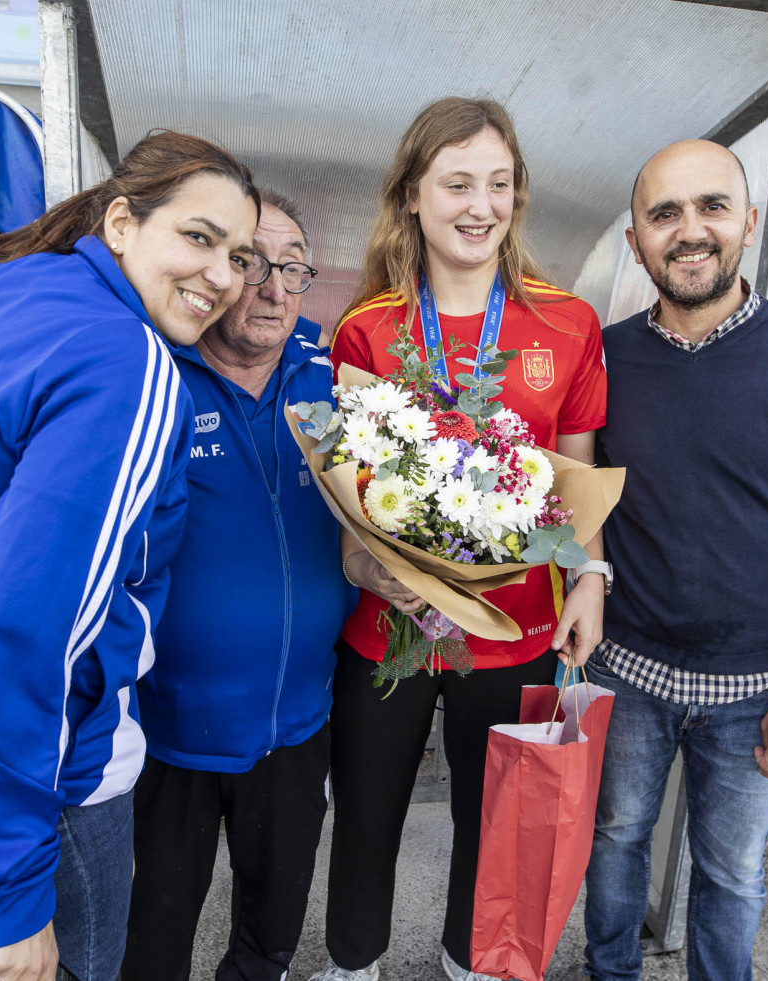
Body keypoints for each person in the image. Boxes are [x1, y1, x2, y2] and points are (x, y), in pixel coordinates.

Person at [0, 130, 262, 981]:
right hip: (37, 758)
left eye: (240, 255)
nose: (222, 275)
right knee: (43, 952)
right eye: (198, 237)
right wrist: (15, 888)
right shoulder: (128, 366)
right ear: (120, 222)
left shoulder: (21, 284)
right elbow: (27, 628)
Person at [307, 97, 610, 981]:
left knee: (493, 817)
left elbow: (573, 484)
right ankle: (353, 964)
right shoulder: (368, 327)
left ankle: (469, 961)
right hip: (386, 628)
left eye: (499, 184)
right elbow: (350, 492)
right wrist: (366, 562)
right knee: (365, 811)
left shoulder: (568, 324)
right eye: (456, 184)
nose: (480, 206)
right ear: (409, 195)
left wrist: (586, 579)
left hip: (513, 628)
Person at [583, 139, 768, 981]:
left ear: (748, 223)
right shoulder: (601, 357)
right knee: (613, 840)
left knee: (731, 872)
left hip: (756, 687)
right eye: (663, 214)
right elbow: (575, 502)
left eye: (710, 206)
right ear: (637, 240)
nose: (689, 230)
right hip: (624, 670)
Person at [121, 190, 354, 981]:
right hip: (167, 733)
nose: (274, 288)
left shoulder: (333, 385)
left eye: (294, 268)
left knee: (270, 935)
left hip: (295, 726)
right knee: (150, 937)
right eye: (253, 261)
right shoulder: (156, 378)